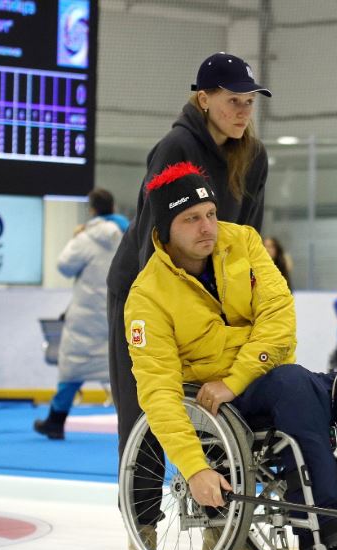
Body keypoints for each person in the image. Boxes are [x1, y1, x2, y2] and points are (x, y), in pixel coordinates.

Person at [123, 162, 337, 550]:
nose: (207, 227)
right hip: (221, 405)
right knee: (292, 382)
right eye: (191, 219)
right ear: (165, 228)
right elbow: (157, 391)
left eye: (210, 214)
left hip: (266, 380)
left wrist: (236, 380)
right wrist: (195, 468)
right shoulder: (147, 296)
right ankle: (320, 519)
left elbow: (278, 316)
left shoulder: (244, 242)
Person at [106, 52, 271, 488]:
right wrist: (163, 306)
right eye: (233, 100)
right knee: (146, 402)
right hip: (147, 286)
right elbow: (152, 235)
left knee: (220, 398)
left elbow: (247, 237)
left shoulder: (254, 156)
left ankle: (220, 518)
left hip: (212, 292)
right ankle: (143, 523)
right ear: (203, 99)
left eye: (249, 102)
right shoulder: (176, 148)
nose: (243, 111)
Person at [33, 189, 128, 439]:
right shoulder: (128, 234)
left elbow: (64, 266)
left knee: (73, 369)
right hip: (117, 312)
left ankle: (55, 421)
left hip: (86, 316)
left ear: (92, 209)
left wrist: (77, 236)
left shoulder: (86, 237)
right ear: (113, 207)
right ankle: (134, 427)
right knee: (122, 373)